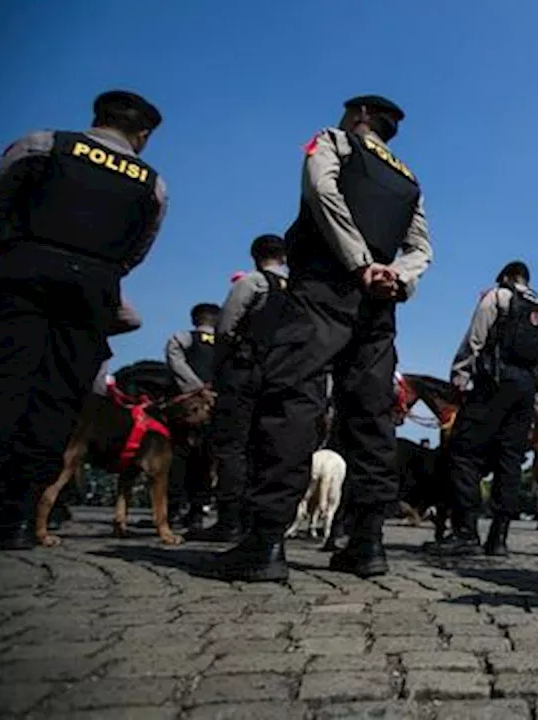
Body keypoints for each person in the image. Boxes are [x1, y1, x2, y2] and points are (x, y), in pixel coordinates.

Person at [213, 94, 432, 581]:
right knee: (373, 418)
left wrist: (359, 263)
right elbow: (422, 247)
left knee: (294, 399)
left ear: (357, 118)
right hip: (379, 303)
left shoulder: (334, 142)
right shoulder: (408, 178)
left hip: (325, 284)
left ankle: (266, 540)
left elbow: (321, 193)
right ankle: (369, 542)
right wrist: (397, 276)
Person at [0, 90, 167, 549]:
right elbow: (138, 248)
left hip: (24, 270)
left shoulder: (44, 144)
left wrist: (18, 253)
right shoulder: (151, 183)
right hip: (93, 290)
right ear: (142, 136)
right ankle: (19, 515)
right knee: (59, 399)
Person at [428, 261, 538, 557]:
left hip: (494, 384)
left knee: (463, 452)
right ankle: (499, 538)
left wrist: (458, 377)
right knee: (510, 461)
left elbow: (475, 340)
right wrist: (537, 403)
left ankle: (466, 531)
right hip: (526, 391)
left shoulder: (497, 297)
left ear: (507, 277)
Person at [188, 234, 289, 543]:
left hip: (243, 371)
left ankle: (229, 519)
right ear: (284, 257)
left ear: (254, 256)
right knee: (264, 447)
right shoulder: (296, 290)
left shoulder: (251, 283)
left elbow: (226, 327)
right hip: (279, 374)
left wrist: (220, 367)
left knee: (232, 446)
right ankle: (256, 518)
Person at [164, 302, 220, 530]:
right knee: (206, 458)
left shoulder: (182, 338)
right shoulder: (226, 343)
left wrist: (194, 387)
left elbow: (175, 361)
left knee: (178, 455)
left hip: (184, 407)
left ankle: (174, 508)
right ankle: (198, 509)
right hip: (214, 405)